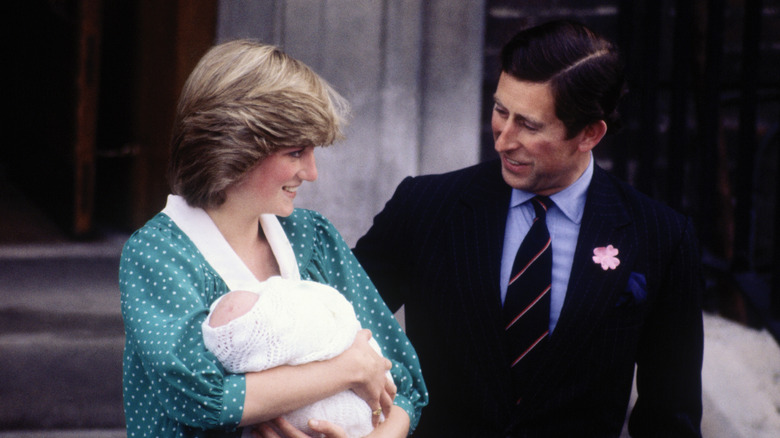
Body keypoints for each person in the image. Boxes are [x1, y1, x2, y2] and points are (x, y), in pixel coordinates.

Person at [353, 20, 703, 437]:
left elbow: (670, 417)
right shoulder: (425, 207)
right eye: (501, 111)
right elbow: (334, 326)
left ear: (589, 133)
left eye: (530, 125)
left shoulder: (660, 237)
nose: (503, 139)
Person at [119, 40, 427, 438]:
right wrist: (348, 368)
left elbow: (403, 382)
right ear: (234, 147)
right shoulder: (158, 255)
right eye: (296, 152)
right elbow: (203, 398)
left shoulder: (313, 236)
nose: (312, 172)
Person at [201, 277, 394, 438]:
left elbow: (406, 398)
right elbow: (210, 400)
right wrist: (353, 366)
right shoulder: (181, 270)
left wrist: (379, 427)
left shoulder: (315, 237)